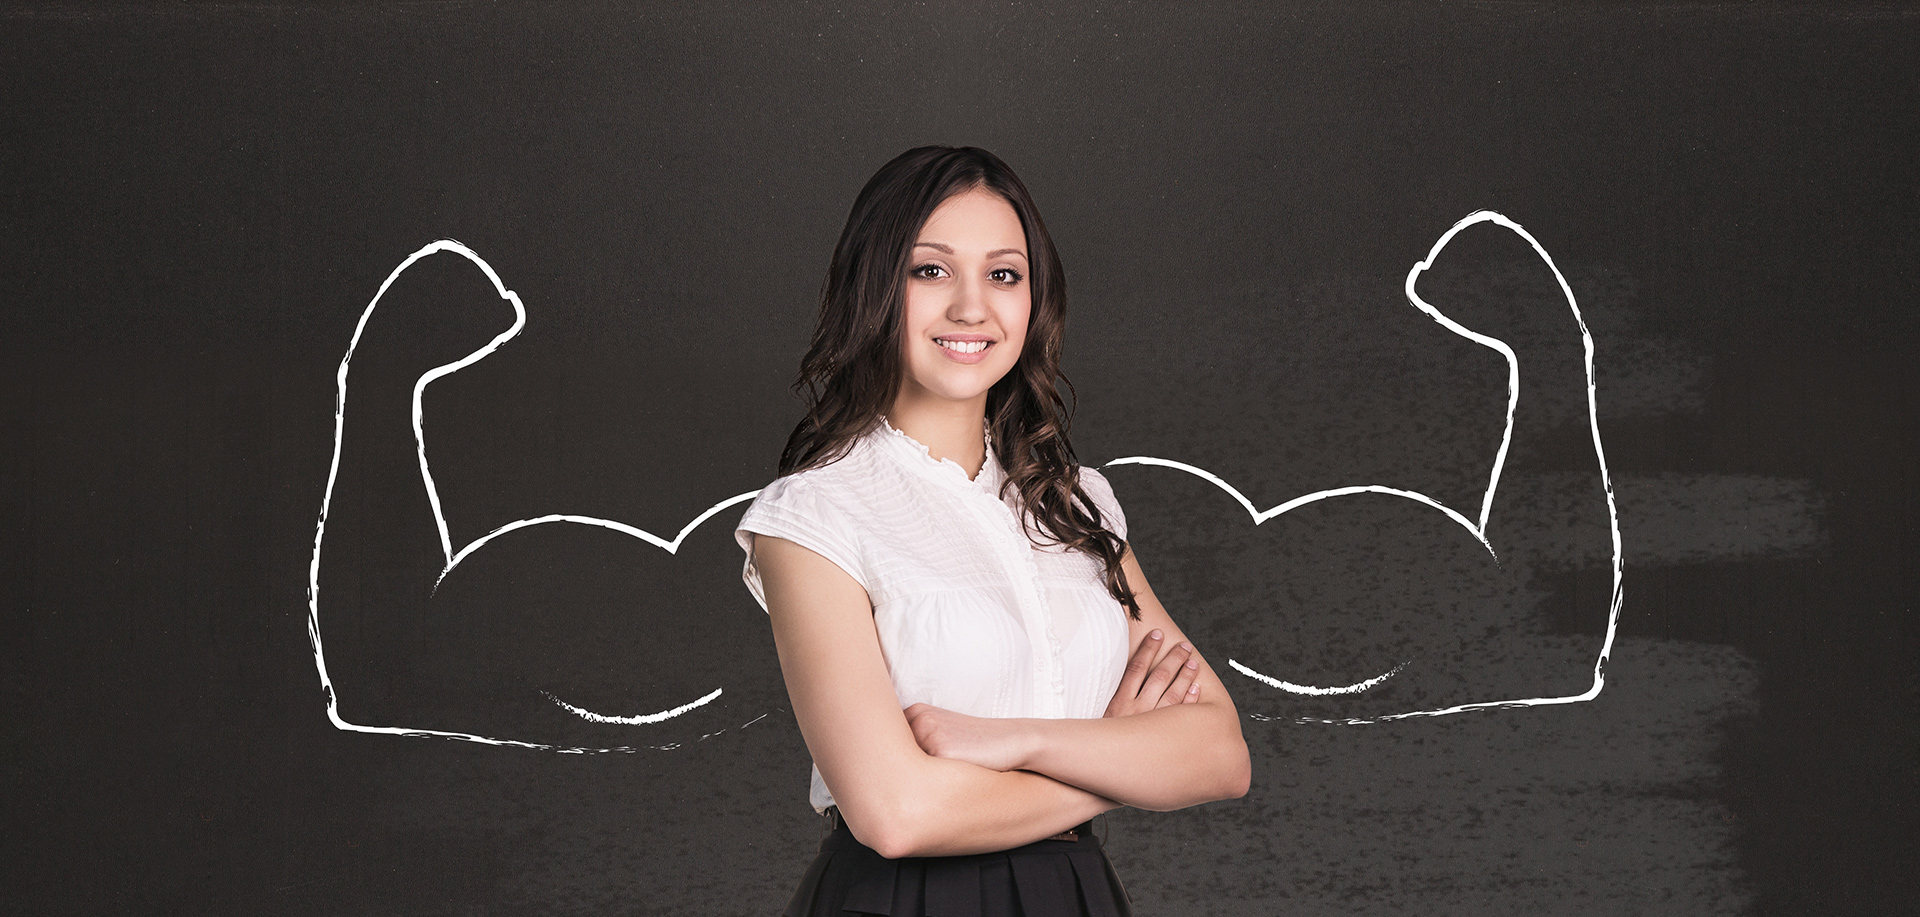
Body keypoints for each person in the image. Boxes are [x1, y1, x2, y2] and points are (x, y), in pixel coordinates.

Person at [734, 146, 1251, 916]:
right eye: (930, 270)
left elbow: (1220, 755)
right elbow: (897, 814)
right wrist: (1116, 762)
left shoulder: (1079, 503)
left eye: (1004, 274)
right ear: (873, 289)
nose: (972, 307)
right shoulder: (812, 514)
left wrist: (1019, 741)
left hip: (1075, 893)